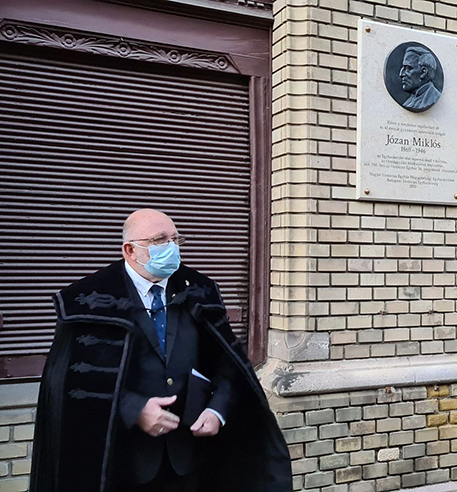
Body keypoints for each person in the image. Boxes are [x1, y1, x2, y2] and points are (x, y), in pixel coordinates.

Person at [31, 209, 291, 492]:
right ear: (130, 250)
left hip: (189, 460)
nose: (171, 247)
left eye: (176, 239)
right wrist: (134, 410)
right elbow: (69, 382)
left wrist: (218, 410)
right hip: (121, 464)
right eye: (159, 240)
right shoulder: (89, 301)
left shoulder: (200, 292)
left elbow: (228, 363)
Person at [399, 46, 442, 112]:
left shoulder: (433, 97)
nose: (401, 74)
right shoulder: (409, 101)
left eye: (408, 68)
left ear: (423, 72)